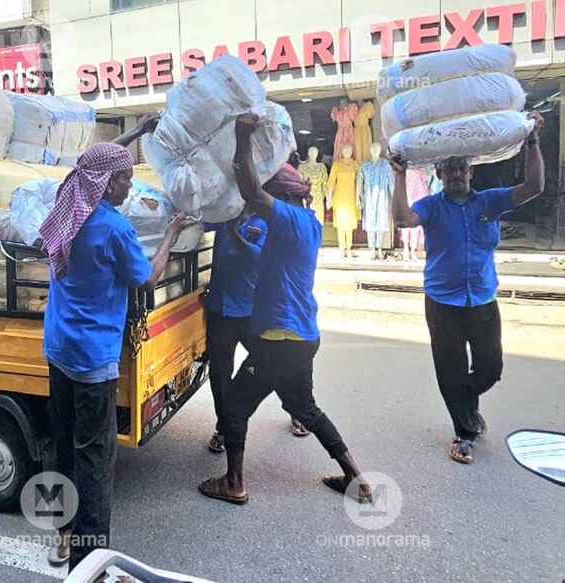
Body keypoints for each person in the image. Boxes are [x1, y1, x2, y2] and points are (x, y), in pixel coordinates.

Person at [43, 114, 196, 570]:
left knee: (65, 443)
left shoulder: (68, 201)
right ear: (106, 184)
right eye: (126, 177)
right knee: (96, 459)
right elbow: (147, 278)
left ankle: (64, 538)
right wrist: (169, 234)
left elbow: (88, 163)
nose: (130, 185)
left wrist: (132, 136)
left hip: (58, 347)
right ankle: (89, 564)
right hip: (92, 359)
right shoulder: (114, 229)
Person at [198, 113, 371, 505]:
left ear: (287, 196)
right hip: (302, 335)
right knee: (304, 406)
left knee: (238, 405)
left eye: (272, 193)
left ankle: (234, 483)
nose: (264, 201)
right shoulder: (306, 222)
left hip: (279, 338)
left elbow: (251, 189)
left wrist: (243, 138)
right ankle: (356, 478)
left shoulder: (289, 219)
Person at [390, 111, 546, 465]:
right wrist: (398, 176)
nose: (457, 173)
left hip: (483, 300)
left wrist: (532, 141)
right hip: (442, 303)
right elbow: (402, 220)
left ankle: (465, 401)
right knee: (451, 370)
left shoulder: (489, 201)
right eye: (450, 169)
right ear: (440, 174)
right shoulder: (430, 206)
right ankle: (463, 433)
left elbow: (534, 187)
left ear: (470, 172)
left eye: (462, 168)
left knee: (491, 367)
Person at [204, 209, 311, 452]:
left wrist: (236, 235)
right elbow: (199, 225)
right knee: (220, 372)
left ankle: (297, 410)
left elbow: (259, 258)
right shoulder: (223, 218)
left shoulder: (265, 221)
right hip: (220, 310)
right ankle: (224, 428)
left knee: (276, 363)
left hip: (252, 311)